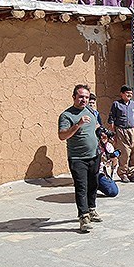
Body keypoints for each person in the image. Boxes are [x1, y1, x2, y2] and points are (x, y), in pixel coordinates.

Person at [58, 84, 102, 232]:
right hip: (77, 158)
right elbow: (62, 136)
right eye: (81, 97)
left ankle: (91, 209)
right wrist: (78, 124)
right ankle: (83, 217)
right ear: (74, 97)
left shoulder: (89, 110)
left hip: (94, 155)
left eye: (87, 97)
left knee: (93, 184)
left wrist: (102, 134)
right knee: (81, 187)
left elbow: (95, 126)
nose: (84, 100)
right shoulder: (66, 115)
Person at [108, 85, 134, 183]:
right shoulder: (116, 104)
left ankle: (132, 173)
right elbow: (111, 120)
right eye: (127, 93)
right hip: (121, 131)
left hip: (132, 131)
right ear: (121, 94)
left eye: (131, 93)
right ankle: (123, 173)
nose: (129, 95)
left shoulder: (133, 104)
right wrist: (113, 133)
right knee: (124, 153)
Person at [96, 127, 120, 198]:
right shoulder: (94, 146)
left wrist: (114, 160)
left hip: (104, 172)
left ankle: (98, 185)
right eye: (102, 137)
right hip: (94, 172)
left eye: (106, 137)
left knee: (113, 191)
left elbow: (112, 165)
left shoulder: (109, 146)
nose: (104, 139)